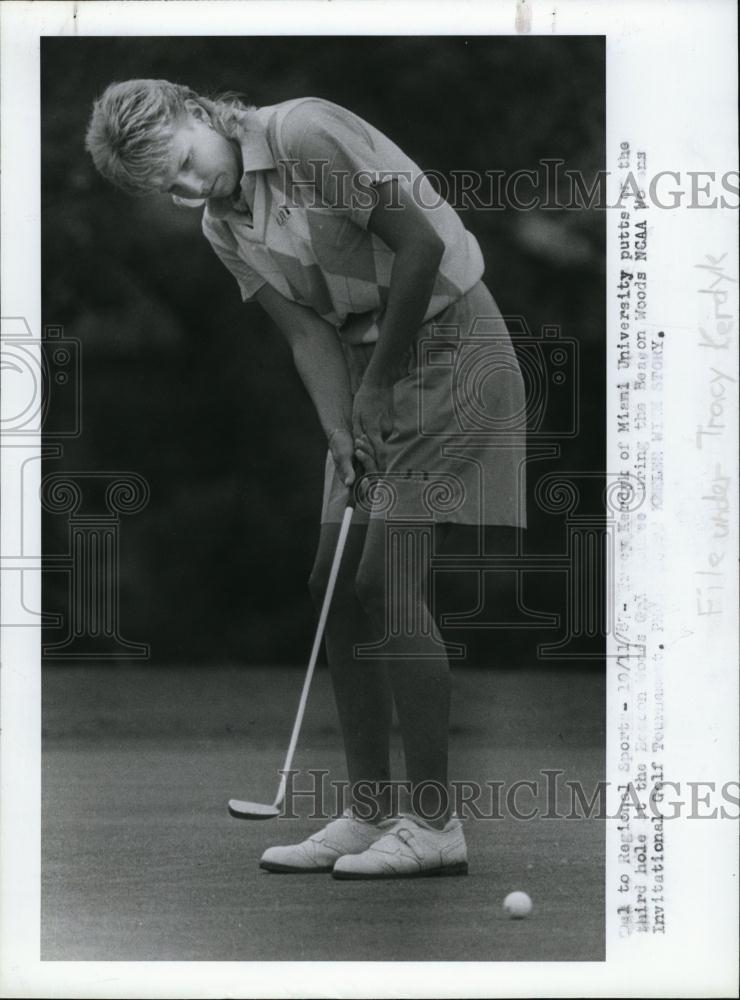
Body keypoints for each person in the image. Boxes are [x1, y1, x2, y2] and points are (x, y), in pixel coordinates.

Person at [85, 79, 527, 879]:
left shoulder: (305, 137)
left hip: (453, 348)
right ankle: (368, 813)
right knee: (335, 577)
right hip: (369, 370)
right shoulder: (223, 224)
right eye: (166, 187)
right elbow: (306, 332)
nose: (188, 189)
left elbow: (421, 245)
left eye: (184, 163)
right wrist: (339, 425)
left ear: (196, 112)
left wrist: (376, 388)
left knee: (387, 577)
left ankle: (434, 825)